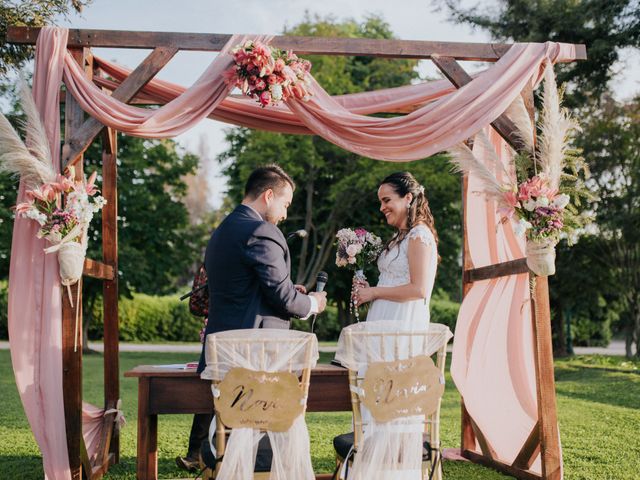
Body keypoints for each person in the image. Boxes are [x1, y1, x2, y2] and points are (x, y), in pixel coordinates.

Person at [176, 165, 327, 472]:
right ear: (268, 195)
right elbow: (283, 298)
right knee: (258, 439)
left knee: (233, 432)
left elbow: (246, 290)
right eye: (285, 204)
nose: (285, 214)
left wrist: (286, 291)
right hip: (254, 357)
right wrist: (312, 302)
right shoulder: (261, 230)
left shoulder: (224, 229)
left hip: (226, 354)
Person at [352, 171, 439, 328]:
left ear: (408, 198)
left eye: (386, 201)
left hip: (403, 320)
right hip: (383, 316)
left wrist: (374, 292)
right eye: (380, 202)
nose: (381, 208)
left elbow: (419, 290)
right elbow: (391, 283)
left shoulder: (419, 235)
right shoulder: (399, 237)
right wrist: (369, 290)